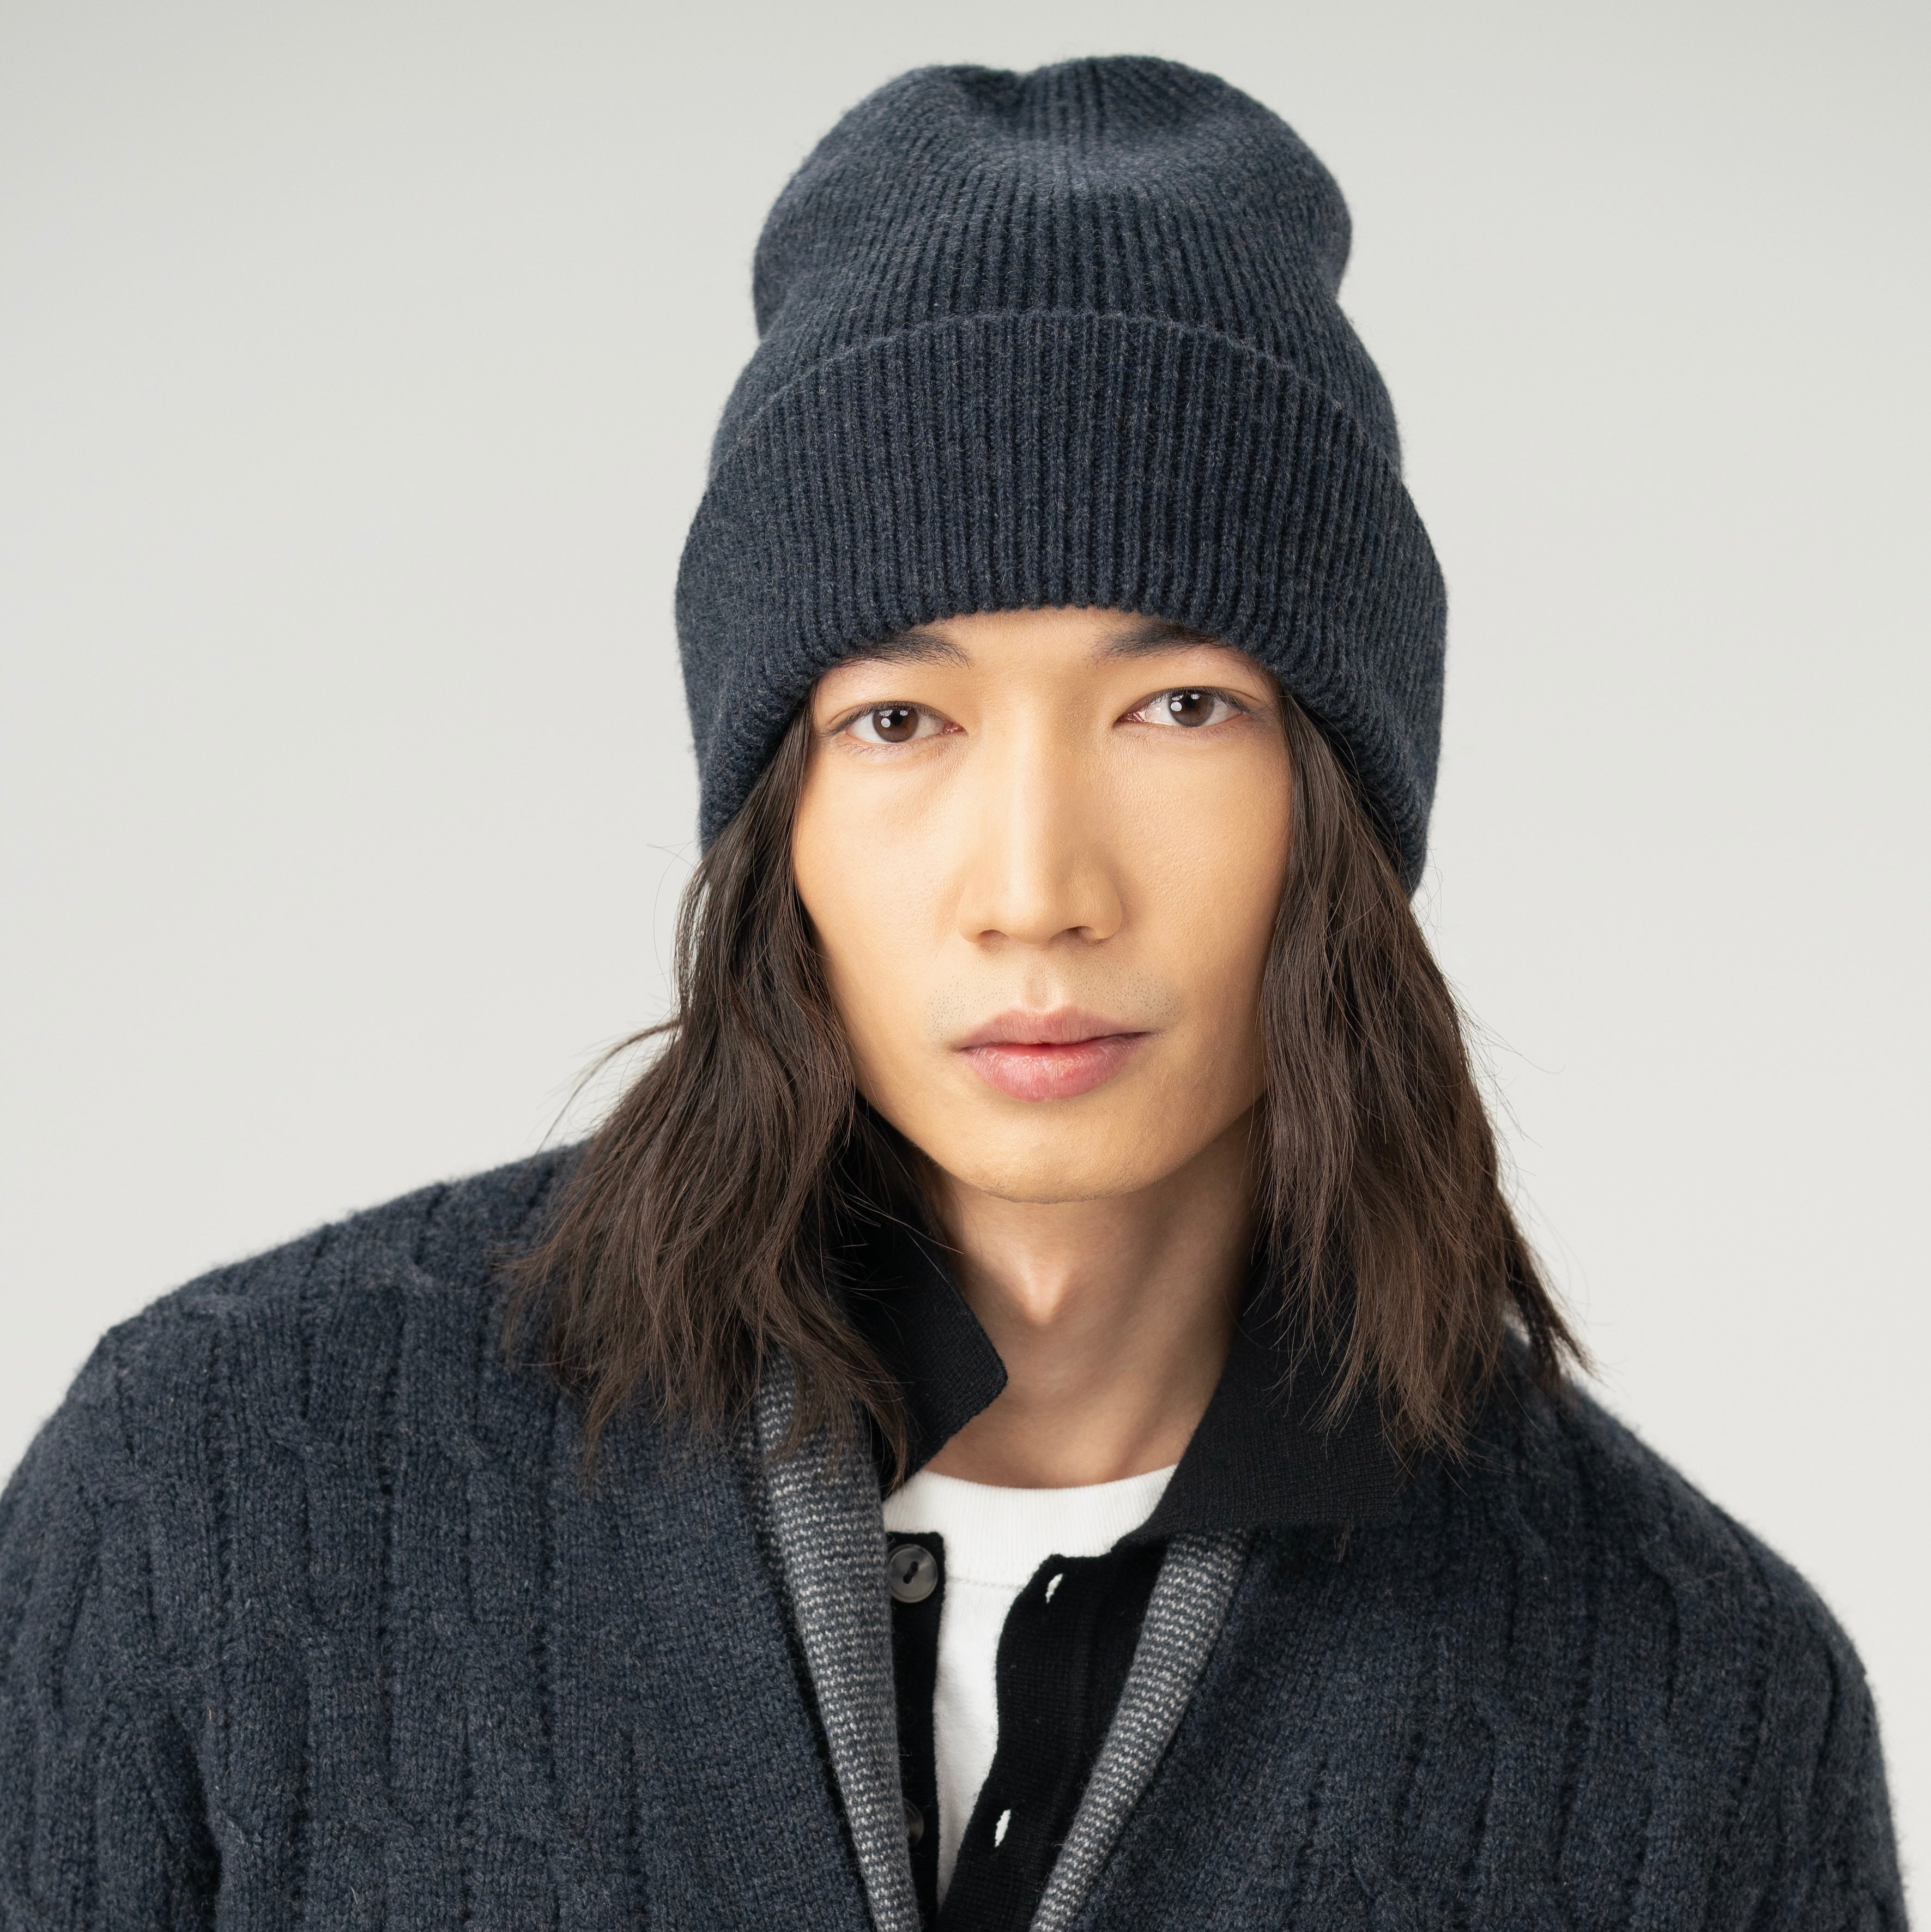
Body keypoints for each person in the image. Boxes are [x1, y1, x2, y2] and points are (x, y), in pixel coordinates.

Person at [0, 55, 1903, 1932]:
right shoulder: (217, 1502)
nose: (1036, 890)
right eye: (901, 721)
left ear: (1343, 799)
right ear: (779, 820)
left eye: (1180, 707)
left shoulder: (1698, 1715)